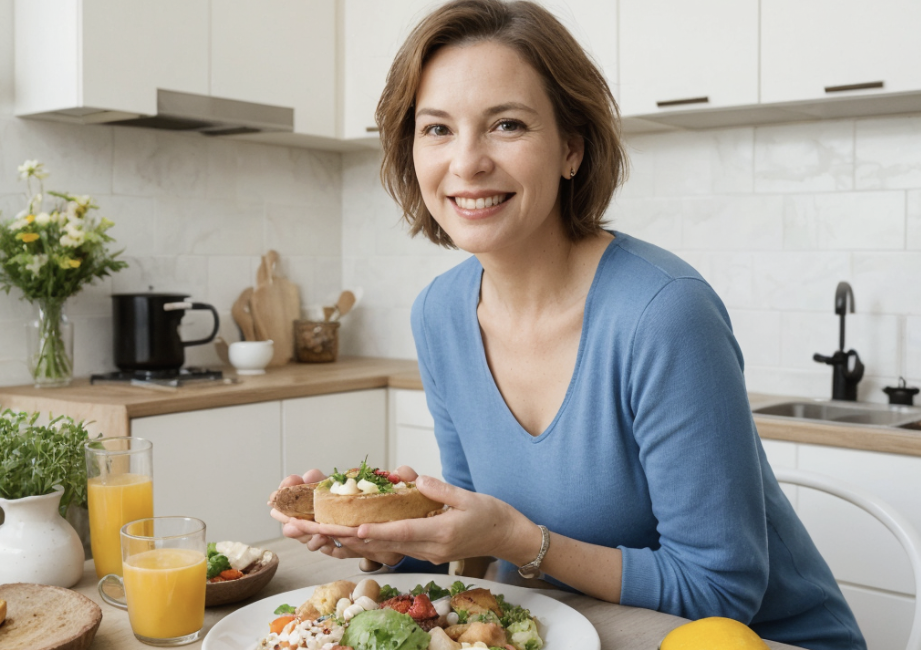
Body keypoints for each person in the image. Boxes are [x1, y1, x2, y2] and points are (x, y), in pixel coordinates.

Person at [271, 1, 866, 648]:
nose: (466, 162)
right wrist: (387, 542)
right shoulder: (438, 314)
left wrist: (518, 539)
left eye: (506, 125)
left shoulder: (664, 314)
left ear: (571, 149)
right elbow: (475, 540)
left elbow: (720, 591)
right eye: (437, 128)